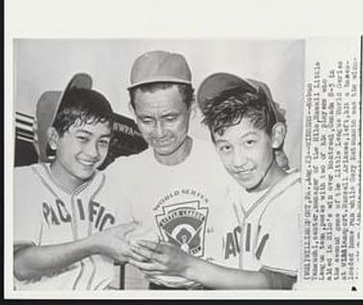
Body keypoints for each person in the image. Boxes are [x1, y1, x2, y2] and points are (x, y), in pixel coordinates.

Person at [128, 72, 301, 290]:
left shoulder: (296, 197)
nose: (238, 161)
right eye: (225, 147)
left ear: (276, 137)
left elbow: (280, 283)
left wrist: (187, 266)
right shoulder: (234, 190)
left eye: (249, 142)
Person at [104, 51, 238, 289]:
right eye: (146, 119)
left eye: (170, 117)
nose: (159, 132)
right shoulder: (122, 173)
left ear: (192, 108)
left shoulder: (224, 160)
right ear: (132, 111)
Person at [13, 74, 141, 290]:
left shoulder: (114, 189)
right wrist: (94, 244)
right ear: (54, 138)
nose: (93, 152)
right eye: (83, 138)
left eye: (103, 142)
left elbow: (119, 257)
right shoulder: (22, 182)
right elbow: (20, 265)